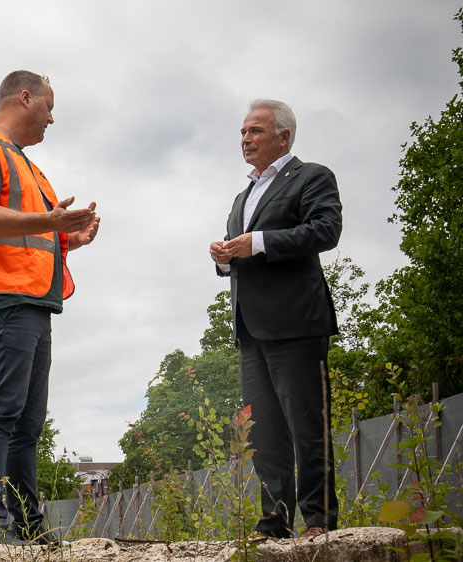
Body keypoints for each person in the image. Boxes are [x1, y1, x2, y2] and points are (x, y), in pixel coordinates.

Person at [0, 70, 100, 545]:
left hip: (31, 300)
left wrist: (67, 238)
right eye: (49, 107)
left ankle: (28, 529)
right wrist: (52, 219)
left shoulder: (29, 167)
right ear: (25, 97)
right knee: (4, 412)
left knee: (28, 423)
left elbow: (29, 235)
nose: (52, 119)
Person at [209, 99, 342, 539]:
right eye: (243, 132)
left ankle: (318, 521)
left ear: (284, 136)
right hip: (251, 329)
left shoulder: (311, 177)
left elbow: (326, 231)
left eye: (256, 131)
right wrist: (225, 258)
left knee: (308, 426)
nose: (246, 139)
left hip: (297, 324)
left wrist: (259, 242)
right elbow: (241, 250)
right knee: (263, 434)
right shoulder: (241, 196)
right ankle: (274, 522)